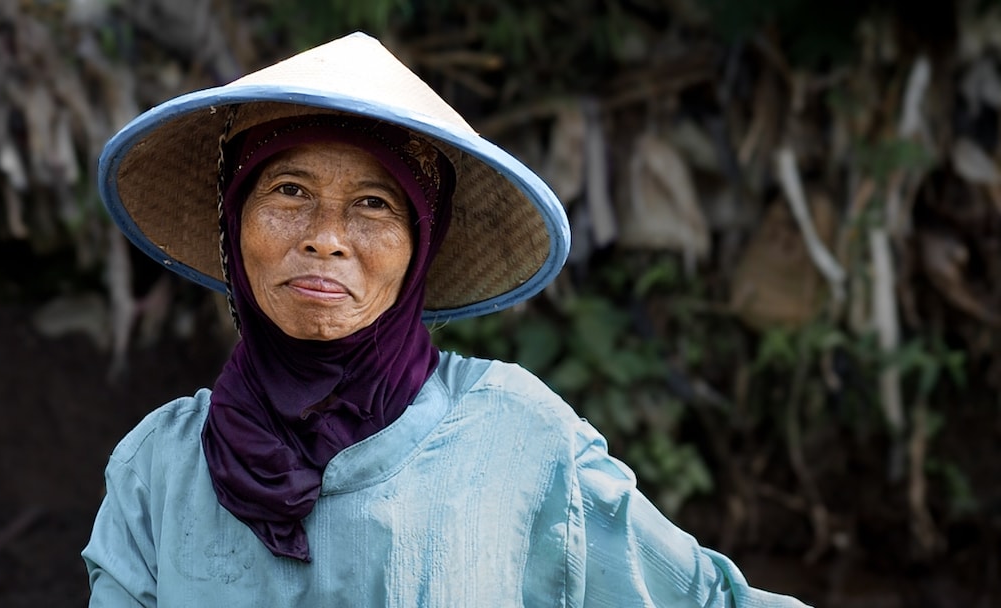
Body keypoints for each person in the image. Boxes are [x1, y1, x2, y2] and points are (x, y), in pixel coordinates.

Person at [82, 32, 811, 607]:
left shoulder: (517, 438)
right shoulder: (160, 467)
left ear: (420, 247)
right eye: (289, 189)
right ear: (234, 225)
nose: (325, 235)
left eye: (373, 204)